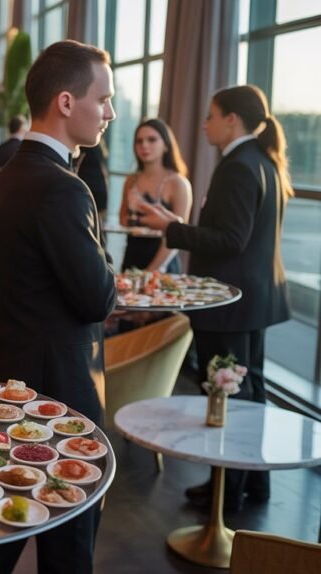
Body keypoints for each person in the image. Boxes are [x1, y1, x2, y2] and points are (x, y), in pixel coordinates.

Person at [0, 40, 116, 574]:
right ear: (65, 102)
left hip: (6, 378)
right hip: (62, 392)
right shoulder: (62, 189)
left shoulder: (6, 177)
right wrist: (110, 266)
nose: (110, 112)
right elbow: (97, 298)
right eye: (103, 99)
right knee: (68, 547)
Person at [138, 84, 291, 512]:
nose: (204, 123)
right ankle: (251, 485)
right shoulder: (262, 161)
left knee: (230, 398)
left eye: (210, 115)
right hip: (254, 300)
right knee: (251, 394)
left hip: (230, 303)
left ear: (232, 120)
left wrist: (172, 228)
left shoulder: (239, 166)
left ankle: (229, 491)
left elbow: (230, 240)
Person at [119, 119, 192, 272]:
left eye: (151, 140)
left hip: (163, 264)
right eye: (139, 141)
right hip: (132, 259)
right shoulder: (131, 180)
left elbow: (179, 235)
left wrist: (151, 270)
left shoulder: (178, 183)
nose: (144, 145)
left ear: (166, 145)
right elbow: (123, 221)